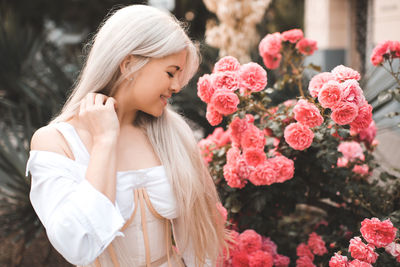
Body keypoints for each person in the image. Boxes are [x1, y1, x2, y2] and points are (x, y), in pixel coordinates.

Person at [25, 4, 229, 267]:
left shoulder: (174, 133)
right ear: (130, 64)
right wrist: (105, 141)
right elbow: (76, 245)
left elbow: (198, 245)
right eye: (170, 72)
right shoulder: (55, 142)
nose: (177, 86)